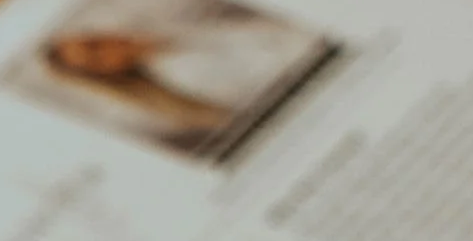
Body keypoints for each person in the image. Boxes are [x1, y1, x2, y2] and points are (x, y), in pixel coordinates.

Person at [41, 8, 314, 147]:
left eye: (93, 38)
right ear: (108, 74)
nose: (109, 42)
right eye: (97, 53)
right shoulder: (183, 74)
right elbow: (288, 62)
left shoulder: (167, 36)